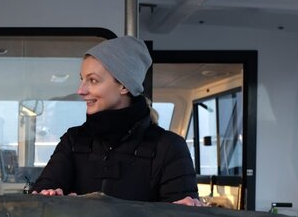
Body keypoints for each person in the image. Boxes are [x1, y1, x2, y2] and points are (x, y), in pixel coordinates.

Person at [30, 36, 201, 206]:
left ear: (124, 86)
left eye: (93, 80)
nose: (81, 90)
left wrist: (185, 211)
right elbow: (41, 197)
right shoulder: (73, 141)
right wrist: (47, 197)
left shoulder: (169, 147)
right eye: (82, 79)